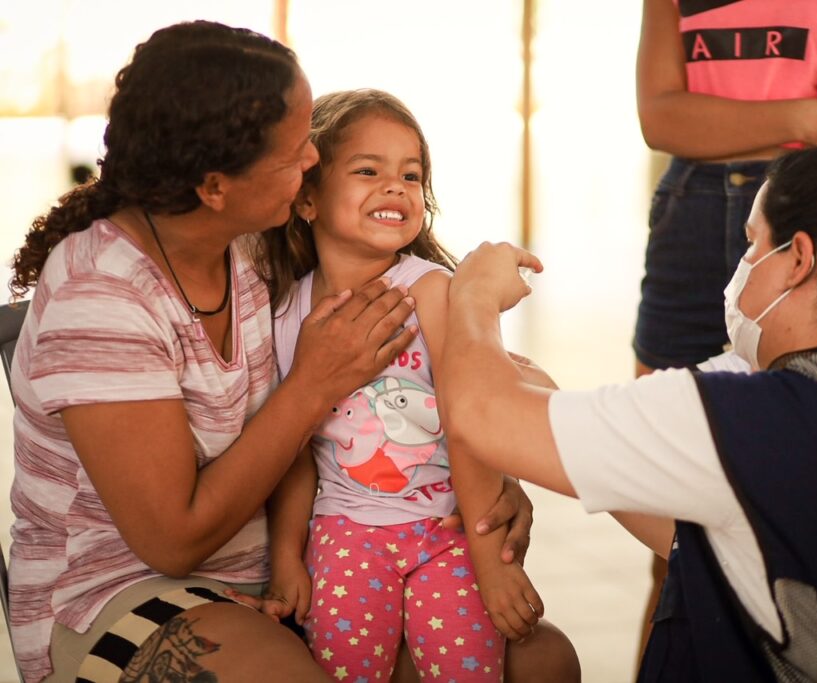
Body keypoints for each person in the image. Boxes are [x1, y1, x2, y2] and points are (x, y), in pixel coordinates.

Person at [5, 22, 555, 683]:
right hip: (122, 589)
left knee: (542, 662)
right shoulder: (100, 296)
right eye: (295, 152)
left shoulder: (253, 251)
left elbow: (449, 380)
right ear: (214, 187)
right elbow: (172, 541)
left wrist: (498, 478)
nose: (313, 162)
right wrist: (312, 383)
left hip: (290, 555)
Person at [437, 143, 817, 682]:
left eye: (753, 244)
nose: (742, 265)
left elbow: (481, 415)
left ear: (798, 259)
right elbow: (748, 541)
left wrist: (472, 295)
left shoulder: (747, 416)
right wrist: (585, 446)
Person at [632, 0, 817, 658]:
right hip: (690, 211)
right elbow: (659, 116)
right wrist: (801, 115)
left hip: (812, 214)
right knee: (667, 525)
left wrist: (727, 123)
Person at [253, 88, 556, 682]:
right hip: (344, 535)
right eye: (369, 170)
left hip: (445, 532)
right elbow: (294, 453)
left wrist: (489, 559)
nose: (396, 187)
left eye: (411, 175)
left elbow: (469, 423)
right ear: (308, 198)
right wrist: (287, 559)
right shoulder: (287, 314)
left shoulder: (433, 292)